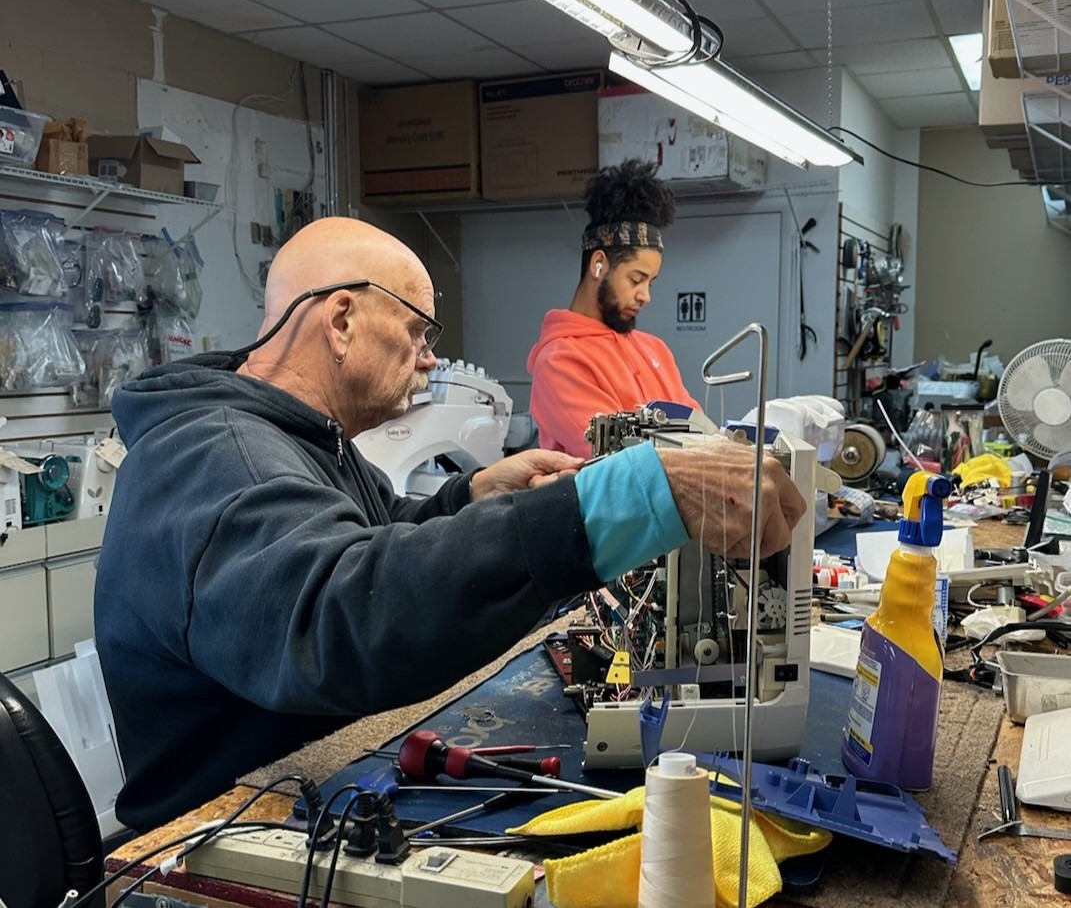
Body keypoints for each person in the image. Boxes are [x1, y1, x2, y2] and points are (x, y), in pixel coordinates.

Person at [94, 216, 805, 832]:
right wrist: (617, 499)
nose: (430, 358)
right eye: (416, 331)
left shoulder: (299, 438)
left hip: (310, 780)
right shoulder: (216, 454)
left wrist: (474, 498)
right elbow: (338, 616)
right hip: (215, 836)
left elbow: (368, 534)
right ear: (341, 320)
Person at [527, 158, 702, 458]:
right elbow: (623, 458)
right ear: (598, 265)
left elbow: (700, 431)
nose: (645, 296)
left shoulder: (655, 350)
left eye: (651, 282)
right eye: (636, 279)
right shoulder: (559, 361)